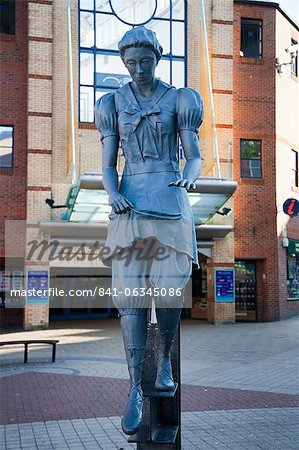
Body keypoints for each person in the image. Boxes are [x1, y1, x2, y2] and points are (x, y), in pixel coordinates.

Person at [95, 26, 203, 436]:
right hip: (131, 204)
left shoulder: (180, 98)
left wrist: (191, 177)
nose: (138, 69)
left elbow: (193, 155)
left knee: (171, 290)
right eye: (130, 63)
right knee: (132, 301)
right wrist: (112, 193)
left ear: (158, 57)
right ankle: (133, 391)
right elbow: (108, 164)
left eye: (145, 61)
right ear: (123, 64)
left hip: (171, 200)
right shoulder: (111, 103)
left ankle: (163, 365)